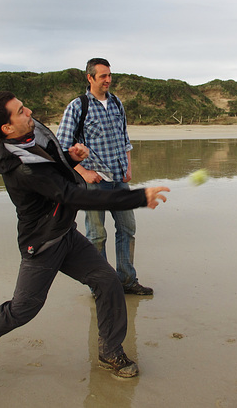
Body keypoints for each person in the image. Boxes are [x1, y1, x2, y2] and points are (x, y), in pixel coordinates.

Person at [0, 91, 169, 398]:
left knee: (107, 282)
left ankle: (110, 351)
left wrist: (70, 158)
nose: (29, 111)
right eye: (20, 111)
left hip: (64, 232)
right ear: (7, 129)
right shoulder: (21, 168)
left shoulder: (27, 133)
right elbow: (71, 195)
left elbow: (52, 164)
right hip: (42, 244)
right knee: (21, 310)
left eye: (24, 105)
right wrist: (136, 197)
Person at [56, 58, 152, 295]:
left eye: (109, 75)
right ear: (90, 78)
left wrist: (128, 168)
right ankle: (101, 285)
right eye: (102, 76)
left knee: (127, 229)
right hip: (94, 182)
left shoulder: (117, 103)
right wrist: (83, 172)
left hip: (119, 180)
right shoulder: (78, 106)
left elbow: (124, 140)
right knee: (97, 235)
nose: (108, 80)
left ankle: (127, 281)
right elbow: (61, 147)